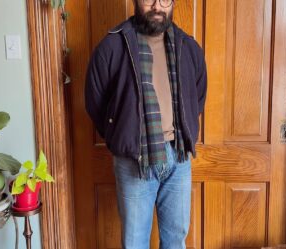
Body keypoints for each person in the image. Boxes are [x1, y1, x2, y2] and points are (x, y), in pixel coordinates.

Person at [84, 0, 207, 248]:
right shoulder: (112, 46)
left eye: (165, 0)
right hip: (133, 160)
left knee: (175, 240)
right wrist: (122, 136)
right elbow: (95, 101)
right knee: (135, 242)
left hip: (178, 157)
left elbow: (198, 95)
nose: (157, 6)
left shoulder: (188, 46)